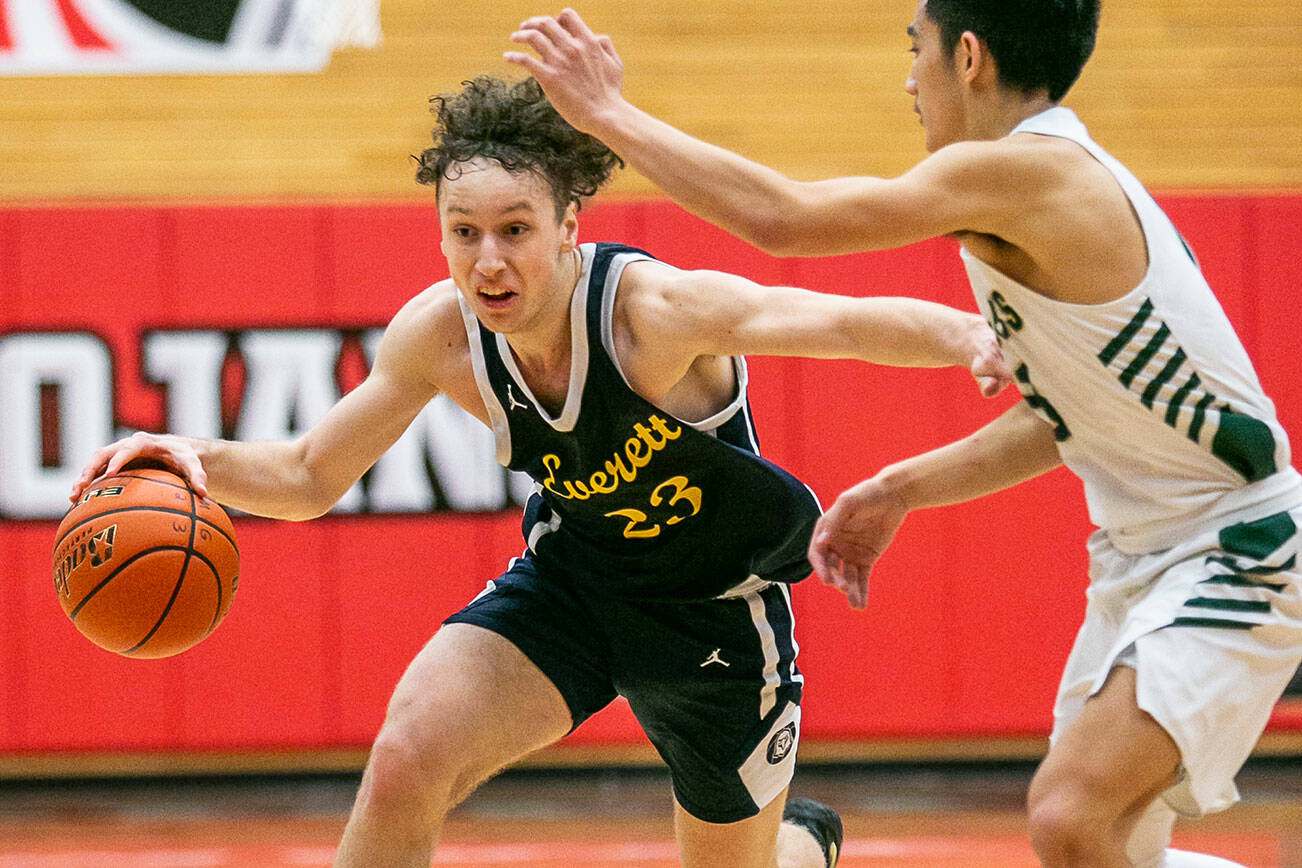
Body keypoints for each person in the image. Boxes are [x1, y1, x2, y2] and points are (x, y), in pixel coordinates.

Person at [70, 75, 1010, 868]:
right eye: (464, 232)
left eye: (515, 229)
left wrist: (970, 333)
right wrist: (197, 458)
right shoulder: (439, 336)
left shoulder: (650, 313)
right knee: (407, 754)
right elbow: (313, 473)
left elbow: (832, 321)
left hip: (713, 609)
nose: (488, 260)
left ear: (568, 225)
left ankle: (801, 847)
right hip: (576, 583)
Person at [505, 4, 1302, 868]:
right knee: (1103, 848)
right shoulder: (1045, 186)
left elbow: (787, 220)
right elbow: (1064, 418)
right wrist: (902, 487)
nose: (908, 79)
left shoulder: (1030, 174)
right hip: (1146, 555)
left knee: (1072, 819)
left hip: (1237, 545)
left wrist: (607, 115)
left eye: (914, 51)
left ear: (968, 57)